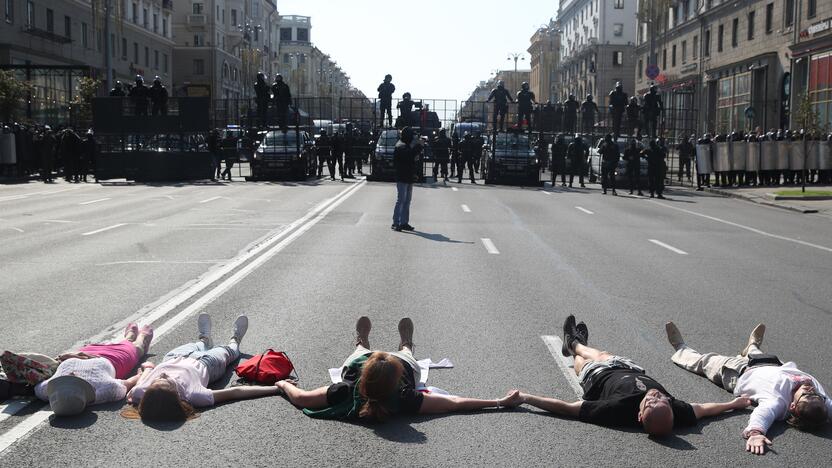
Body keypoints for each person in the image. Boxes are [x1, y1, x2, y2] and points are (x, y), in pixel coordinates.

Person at [516, 315, 752, 436]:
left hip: (598, 377)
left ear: (639, 416)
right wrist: (733, 403)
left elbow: (568, 408)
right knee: (603, 354)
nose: (656, 396)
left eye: (650, 402)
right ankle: (577, 342)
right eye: (661, 400)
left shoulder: (616, 410)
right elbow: (704, 409)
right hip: (630, 369)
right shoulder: (676, 411)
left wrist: (528, 398)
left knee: (585, 361)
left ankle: (573, 343)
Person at [277, 316, 522, 421]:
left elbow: (300, 398)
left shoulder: (345, 389)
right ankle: (405, 345)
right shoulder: (404, 398)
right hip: (399, 365)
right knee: (406, 356)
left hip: (362, 361)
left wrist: (282, 383)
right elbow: (454, 403)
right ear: (396, 383)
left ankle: (361, 342)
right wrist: (498, 401)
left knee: (358, 353)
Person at [665, 322, 832, 455]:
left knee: (704, 362)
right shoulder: (821, 403)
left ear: (793, 406)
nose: (810, 388)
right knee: (756, 352)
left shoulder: (777, 402)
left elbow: (762, 415)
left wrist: (755, 433)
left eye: (807, 394)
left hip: (737, 371)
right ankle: (751, 347)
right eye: (817, 394)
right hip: (773, 363)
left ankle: (681, 349)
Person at [124, 314, 277, 423]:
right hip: (208, 364)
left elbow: (139, 386)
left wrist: (148, 370)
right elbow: (235, 393)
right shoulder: (194, 395)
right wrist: (276, 389)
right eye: (166, 381)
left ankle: (205, 339)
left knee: (200, 344)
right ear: (177, 395)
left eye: (156, 381)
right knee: (229, 352)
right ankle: (235, 340)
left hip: (175, 356)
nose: (162, 374)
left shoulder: (141, 393)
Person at [31, 323, 154, 416]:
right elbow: (128, 383)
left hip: (83, 353)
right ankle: (141, 339)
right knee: (135, 350)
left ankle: (128, 338)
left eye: (64, 380)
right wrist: (142, 374)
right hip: (114, 359)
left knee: (123, 343)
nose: (71, 373)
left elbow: (33, 379)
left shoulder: (44, 390)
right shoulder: (105, 390)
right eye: (72, 380)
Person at [391, 127, 420, 231]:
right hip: (402, 176)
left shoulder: (406, 145)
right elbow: (408, 156)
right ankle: (395, 222)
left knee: (407, 200)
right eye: (412, 135)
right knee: (401, 200)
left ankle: (404, 222)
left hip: (408, 176)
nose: (413, 137)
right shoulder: (400, 145)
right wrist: (418, 146)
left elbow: (412, 159)